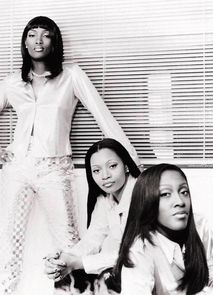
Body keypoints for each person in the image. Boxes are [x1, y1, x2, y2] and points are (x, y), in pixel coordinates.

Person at [0, 16, 139, 295]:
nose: (38, 40)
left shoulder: (71, 75)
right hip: (18, 168)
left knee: (70, 240)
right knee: (8, 243)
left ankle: (72, 293)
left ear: (55, 41)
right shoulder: (12, 82)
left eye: (46, 34)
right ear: (24, 42)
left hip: (55, 170)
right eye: (31, 34)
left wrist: (130, 159)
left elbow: (102, 115)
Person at [114, 163, 213, 295]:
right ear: (147, 201)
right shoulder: (139, 253)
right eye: (166, 194)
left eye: (184, 192)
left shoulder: (200, 226)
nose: (180, 201)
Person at [44, 138, 141, 293]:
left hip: (147, 269)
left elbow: (135, 253)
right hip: (121, 267)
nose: (105, 176)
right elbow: (93, 238)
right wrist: (63, 259)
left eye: (112, 166)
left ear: (126, 165)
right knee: (66, 277)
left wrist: (78, 262)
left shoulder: (142, 193)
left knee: (103, 276)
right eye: (96, 170)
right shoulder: (105, 199)